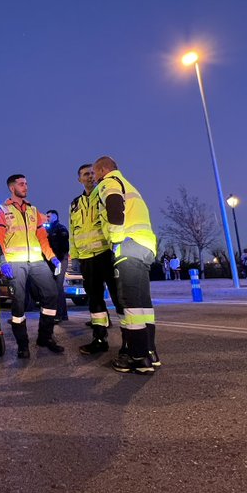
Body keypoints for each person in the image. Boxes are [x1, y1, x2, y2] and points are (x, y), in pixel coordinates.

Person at [93, 155, 160, 374]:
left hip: (128, 246)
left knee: (130, 305)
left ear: (103, 170)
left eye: (95, 173)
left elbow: (114, 205)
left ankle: (137, 358)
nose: (94, 178)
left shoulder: (109, 183)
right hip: (146, 246)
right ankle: (150, 353)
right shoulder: (129, 184)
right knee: (143, 304)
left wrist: (116, 239)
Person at [0, 175, 64, 359]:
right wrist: (3, 262)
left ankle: (45, 337)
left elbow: (42, 238)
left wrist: (53, 258)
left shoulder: (34, 211)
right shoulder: (1, 210)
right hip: (14, 262)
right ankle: (23, 345)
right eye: (21, 184)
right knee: (19, 303)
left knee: (52, 294)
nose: (26, 187)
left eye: (26, 184)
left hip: (37, 262)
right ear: (11, 188)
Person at [68, 162, 124, 357]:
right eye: (85, 174)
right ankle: (99, 339)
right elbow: (73, 235)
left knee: (119, 298)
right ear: (79, 179)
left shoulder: (105, 193)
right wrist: (74, 257)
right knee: (95, 301)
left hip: (106, 254)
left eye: (92, 173)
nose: (90, 176)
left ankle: (129, 340)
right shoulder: (74, 204)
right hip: (86, 259)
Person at [46, 209, 70, 322]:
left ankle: (59, 315)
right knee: (56, 287)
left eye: (49, 216)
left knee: (58, 287)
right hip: (54, 261)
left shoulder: (61, 229)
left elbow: (64, 246)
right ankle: (63, 314)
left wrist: (58, 260)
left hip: (60, 260)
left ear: (55, 216)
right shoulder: (49, 230)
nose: (47, 218)